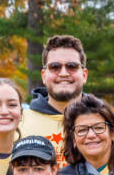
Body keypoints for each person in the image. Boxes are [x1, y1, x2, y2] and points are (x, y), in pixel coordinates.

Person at [20, 35, 88, 167]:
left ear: (84, 75)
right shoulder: (19, 123)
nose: (63, 73)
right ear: (44, 76)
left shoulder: (104, 123)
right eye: (55, 67)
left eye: (72, 66)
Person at [54, 93, 114, 175]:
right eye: (82, 130)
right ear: (73, 139)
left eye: (98, 127)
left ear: (112, 133)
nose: (91, 135)